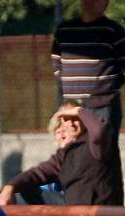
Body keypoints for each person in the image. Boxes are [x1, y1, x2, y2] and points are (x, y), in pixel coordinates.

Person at [0, 105, 124, 216]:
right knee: (21, 194)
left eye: (73, 120)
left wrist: (79, 111)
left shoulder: (98, 147)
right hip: (74, 212)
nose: (67, 126)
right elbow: (37, 173)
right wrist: (9, 187)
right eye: (63, 123)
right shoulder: (64, 155)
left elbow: (99, 132)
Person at [52, 0, 125, 133]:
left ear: (106, 3)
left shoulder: (114, 31)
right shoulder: (64, 30)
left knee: (101, 152)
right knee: (73, 151)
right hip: (70, 107)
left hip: (103, 108)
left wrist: (105, 90)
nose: (90, 2)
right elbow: (57, 65)